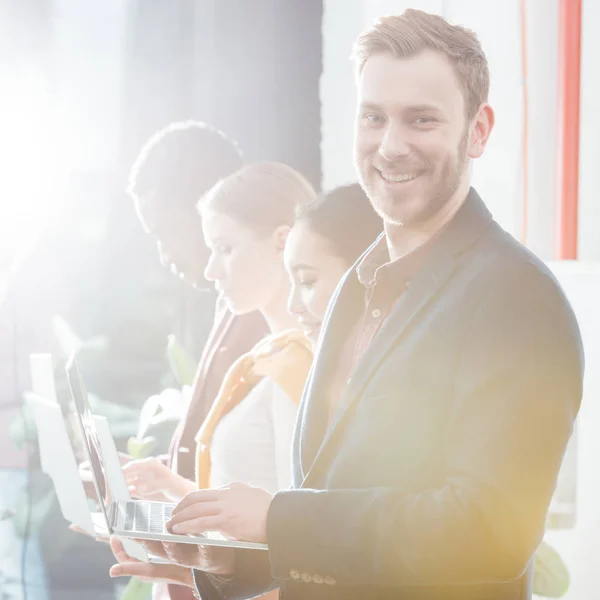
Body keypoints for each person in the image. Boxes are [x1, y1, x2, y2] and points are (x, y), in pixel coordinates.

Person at [148, 10, 584, 600]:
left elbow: (489, 531)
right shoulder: (357, 283)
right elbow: (336, 509)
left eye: (422, 120)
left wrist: (279, 519)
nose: (391, 145)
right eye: (373, 117)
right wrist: (223, 561)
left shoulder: (516, 296)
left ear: (478, 130)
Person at [107, 184, 384, 589]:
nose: (210, 270)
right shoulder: (284, 358)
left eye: (306, 281)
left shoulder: (313, 376)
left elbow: (325, 549)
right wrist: (206, 568)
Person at [120, 122, 270, 600]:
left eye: (164, 231)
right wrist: (159, 483)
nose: (163, 254)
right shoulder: (231, 303)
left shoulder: (271, 320)